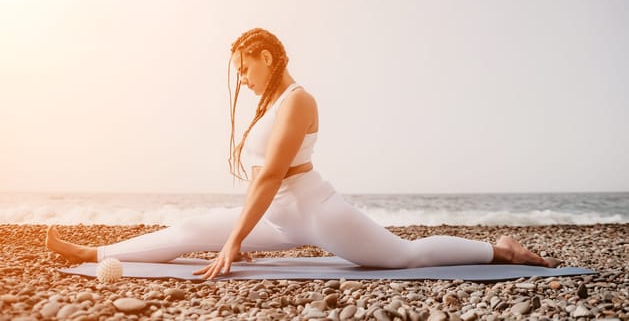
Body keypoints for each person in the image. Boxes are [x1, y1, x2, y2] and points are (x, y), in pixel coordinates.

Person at [46, 28, 553, 280]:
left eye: (244, 69)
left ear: (266, 58)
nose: (241, 79)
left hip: (315, 213)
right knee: (190, 231)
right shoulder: (269, 107)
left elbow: (270, 177)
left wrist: (235, 241)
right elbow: (257, 183)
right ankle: (95, 253)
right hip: (277, 218)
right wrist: (235, 235)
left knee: (403, 256)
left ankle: (498, 248)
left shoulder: (298, 100)